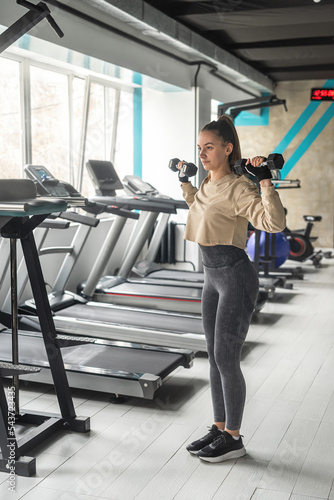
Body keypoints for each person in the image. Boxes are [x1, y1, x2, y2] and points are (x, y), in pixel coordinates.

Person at [178, 114, 286, 463]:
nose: (203, 154)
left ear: (227, 148)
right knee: (213, 355)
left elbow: (274, 223)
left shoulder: (240, 187)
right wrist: (185, 183)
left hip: (236, 278)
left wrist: (265, 181)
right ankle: (220, 426)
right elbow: (200, 207)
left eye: (209, 147)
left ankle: (234, 439)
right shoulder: (208, 183)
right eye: (200, 148)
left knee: (226, 357)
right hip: (212, 276)